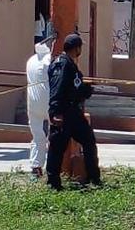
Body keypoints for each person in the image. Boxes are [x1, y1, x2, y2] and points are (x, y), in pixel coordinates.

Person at [45, 33, 99, 190]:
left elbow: (74, 88)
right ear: (76, 48)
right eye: (80, 47)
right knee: (57, 148)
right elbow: (57, 89)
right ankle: (53, 183)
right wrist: (55, 112)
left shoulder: (69, 64)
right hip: (63, 112)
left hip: (73, 113)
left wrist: (86, 89)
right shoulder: (62, 64)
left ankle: (93, 178)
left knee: (88, 140)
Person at [26, 39, 52, 180]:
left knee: (37, 136)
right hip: (49, 101)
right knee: (55, 135)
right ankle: (54, 167)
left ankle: (35, 167)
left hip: (32, 102)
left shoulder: (30, 60)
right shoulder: (49, 60)